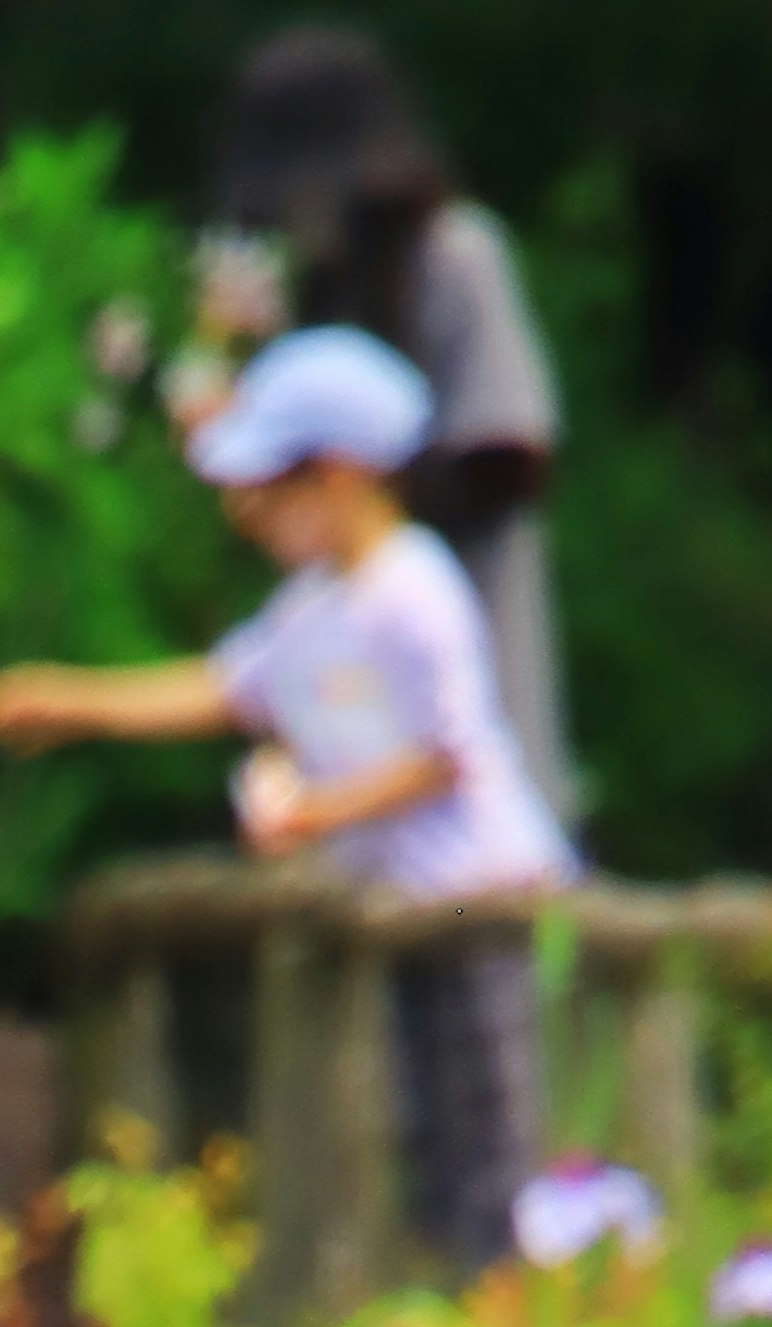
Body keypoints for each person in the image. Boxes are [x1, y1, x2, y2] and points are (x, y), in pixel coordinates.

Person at [0, 323, 569, 1278]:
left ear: (337, 475)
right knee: (421, 1148)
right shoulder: (311, 611)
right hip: (399, 918)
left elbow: (446, 756)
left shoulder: (415, 591)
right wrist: (73, 703)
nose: (246, 512)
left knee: (491, 1151)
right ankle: (459, 1317)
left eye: (268, 487)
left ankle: (512, 1315)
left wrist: (315, 815)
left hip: (477, 910)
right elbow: (224, 689)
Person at [212, 24, 568, 818]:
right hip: (359, 679)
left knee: (482, 844)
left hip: (470, 619)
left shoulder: (453, 257)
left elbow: (510, 456)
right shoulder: (330, 285)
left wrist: (360, 501)